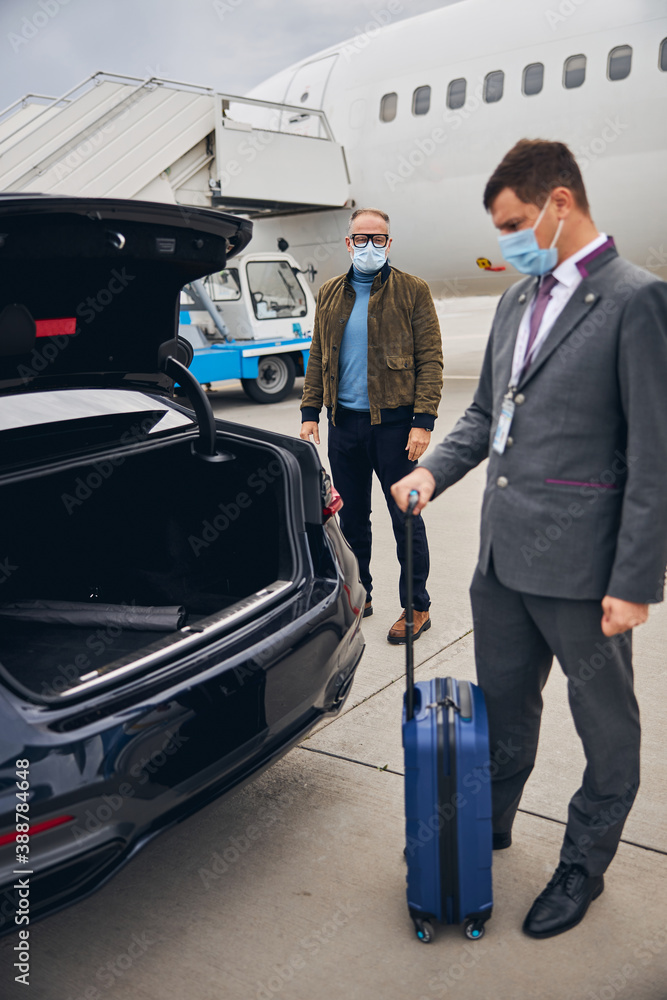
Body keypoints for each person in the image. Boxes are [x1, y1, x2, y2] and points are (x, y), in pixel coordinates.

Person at [391, 139, 667, 938]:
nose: (507, 238)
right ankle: (492, 823)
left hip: (585, 571)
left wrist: (635, 581)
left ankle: (585, 862)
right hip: (500, 561)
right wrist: (431, 473)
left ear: (559, 202)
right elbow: (483, 416)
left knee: (605, 727)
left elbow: (654, 452)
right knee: (504, 710)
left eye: (513, 222)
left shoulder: (634, 299)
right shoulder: (518, 299)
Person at [300, 208, 443, 642]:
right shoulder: (329, 292)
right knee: (352, 521)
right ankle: (360, 594)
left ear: (388, 242)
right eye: (360, 239)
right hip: (344, 425)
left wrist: (423, 421)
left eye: (377, 239)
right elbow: (318, 356)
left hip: (396, 426)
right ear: (348, 243)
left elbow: (430, 360)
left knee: (406, 516)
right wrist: (310, 413)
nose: (368, 247)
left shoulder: (412, 290)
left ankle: (417, 606)